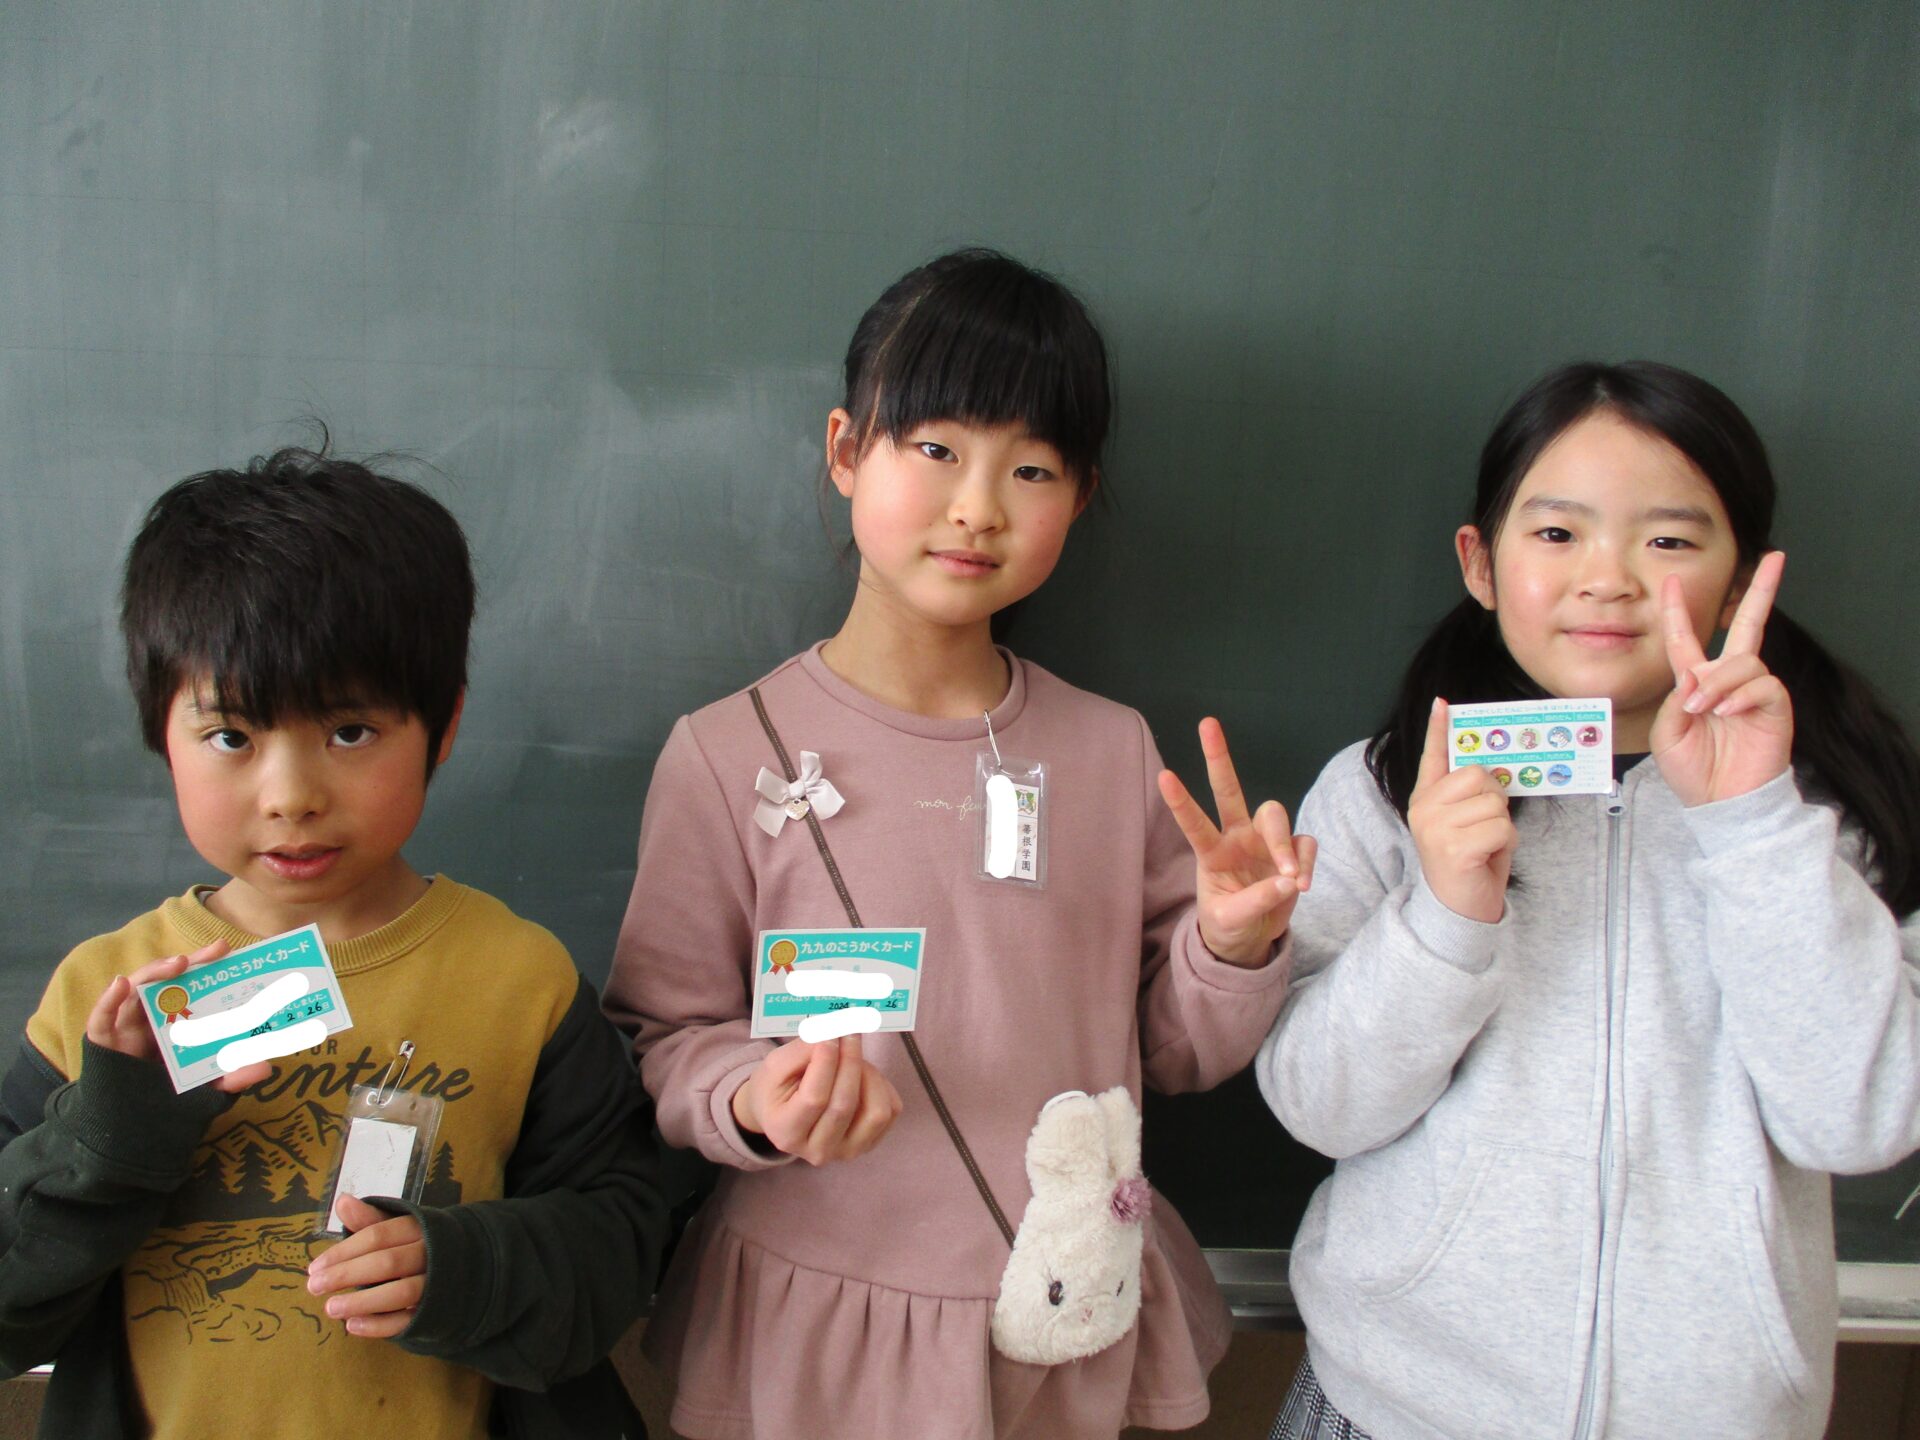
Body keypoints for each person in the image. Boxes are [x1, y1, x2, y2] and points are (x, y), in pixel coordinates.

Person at [603, 248, 1312, 1440]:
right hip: (818, 1316)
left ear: (1080, 496)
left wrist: (1234, 948)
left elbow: (1166, 1051)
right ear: (845, 451)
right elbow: (664, 1032)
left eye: (1031, 469)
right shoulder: (726, 753)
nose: (979, 506)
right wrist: (754, 1098)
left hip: (1056, 1300)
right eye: (935, 448)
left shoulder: (1109, 751)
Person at [1257, 362, 1920, 1440]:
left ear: (1741, 579)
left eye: (1669, 541)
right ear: (1481, 563)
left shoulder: (1833, 815)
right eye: (1558, 533)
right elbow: (1318, 1108)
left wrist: (1751, 827)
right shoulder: (1387, 791)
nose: (1607, 580)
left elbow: (1859, 1119)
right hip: (1396, 1408)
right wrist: (1444, 916)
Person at [0, 447, 667, 1439]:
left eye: (350, 732)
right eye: (232, 737)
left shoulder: (519, 982)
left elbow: (624, 1244)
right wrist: (110, 1133)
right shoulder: (107, 996)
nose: (291, 796)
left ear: (442, 728)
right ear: (159, 733)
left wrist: (468, 1270)